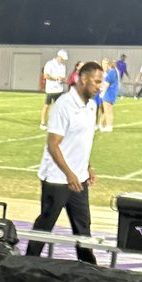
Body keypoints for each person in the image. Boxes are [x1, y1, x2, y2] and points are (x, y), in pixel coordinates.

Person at [25, 61, 104, 263]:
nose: (99, 86)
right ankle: (27, 264)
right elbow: (53, 144)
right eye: (96, 82)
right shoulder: (64, 105)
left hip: (78, 178)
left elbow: (80, 142)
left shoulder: (92, 105)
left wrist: (87, 167)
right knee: (46, 224)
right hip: (57, 178)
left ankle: (89, 268)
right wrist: (69, 174)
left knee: (83, 228)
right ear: (83, 79)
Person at [39, 48, 68, 129]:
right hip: (51, 89)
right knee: (47, 106)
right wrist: (55, 78)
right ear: (59, 57)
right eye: (62, 59)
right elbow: (46, 75)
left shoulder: (63, 66)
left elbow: (63, 77)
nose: (63, 60)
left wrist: (63, 79)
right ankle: (42, 123)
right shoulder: (49, 64)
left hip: (59, 89)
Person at [98, 58, 119, 132]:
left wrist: (102, 93)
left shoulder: (111, 72)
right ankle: (109, 126)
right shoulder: (115, 71)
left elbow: (106, 84)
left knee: (106, 111)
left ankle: (107, 126)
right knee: (109, 110)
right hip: (111, 92)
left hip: (107, 92)